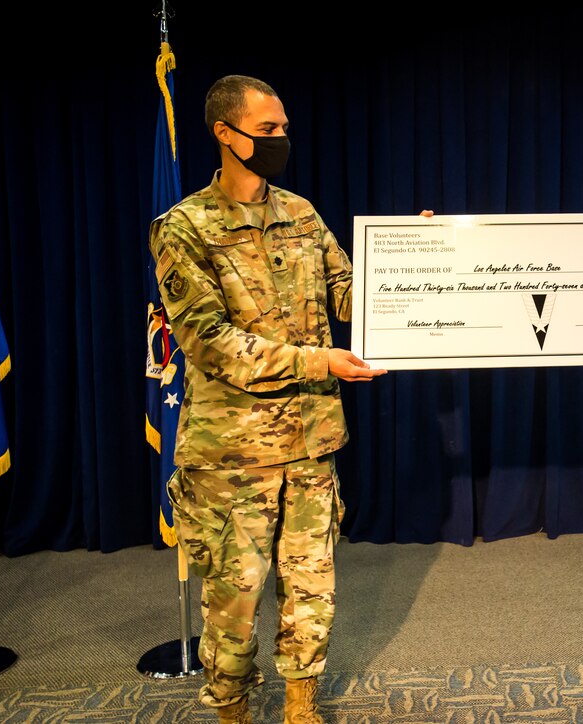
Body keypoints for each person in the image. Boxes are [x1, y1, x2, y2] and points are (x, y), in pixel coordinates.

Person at [149, 75, 402, 723]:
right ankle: (232, 710)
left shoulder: (303, 215)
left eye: (284, 127)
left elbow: (353, 297)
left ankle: (299, 707)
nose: (281, 138)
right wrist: (319, 361)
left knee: (311, 590)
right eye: (267, 130)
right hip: (232, 457)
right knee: (232, 605)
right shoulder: (184, 230)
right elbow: (210, 343)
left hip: (311, 446)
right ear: (226, 134)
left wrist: (415, 262)